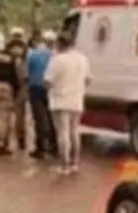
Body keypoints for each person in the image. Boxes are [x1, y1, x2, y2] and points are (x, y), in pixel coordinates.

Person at [44, 32, 92, 174]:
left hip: (59, 100)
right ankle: (75, 162)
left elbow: (47, 81)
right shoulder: (83, 59)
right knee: (74, 132)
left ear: (60, 44)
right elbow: (89, 80)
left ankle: (64, 165)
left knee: (62, 133)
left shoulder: (57, 60)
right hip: (77, 100)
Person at [27, 31, 57, 159]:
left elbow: (28, 71)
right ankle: (53, 145)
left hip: (35, 87)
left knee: (39, 118)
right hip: (50, 88)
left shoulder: (33, 54)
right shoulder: (56, 55)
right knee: (51, 117)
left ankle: (40, 148)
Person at [9, 27, 30, 153]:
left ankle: (14, 139)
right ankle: (20, 139)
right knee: (19, 115)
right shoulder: (25, 51)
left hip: (14, 87)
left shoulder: (7, 49)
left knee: (9, 115)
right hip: (20, 88)